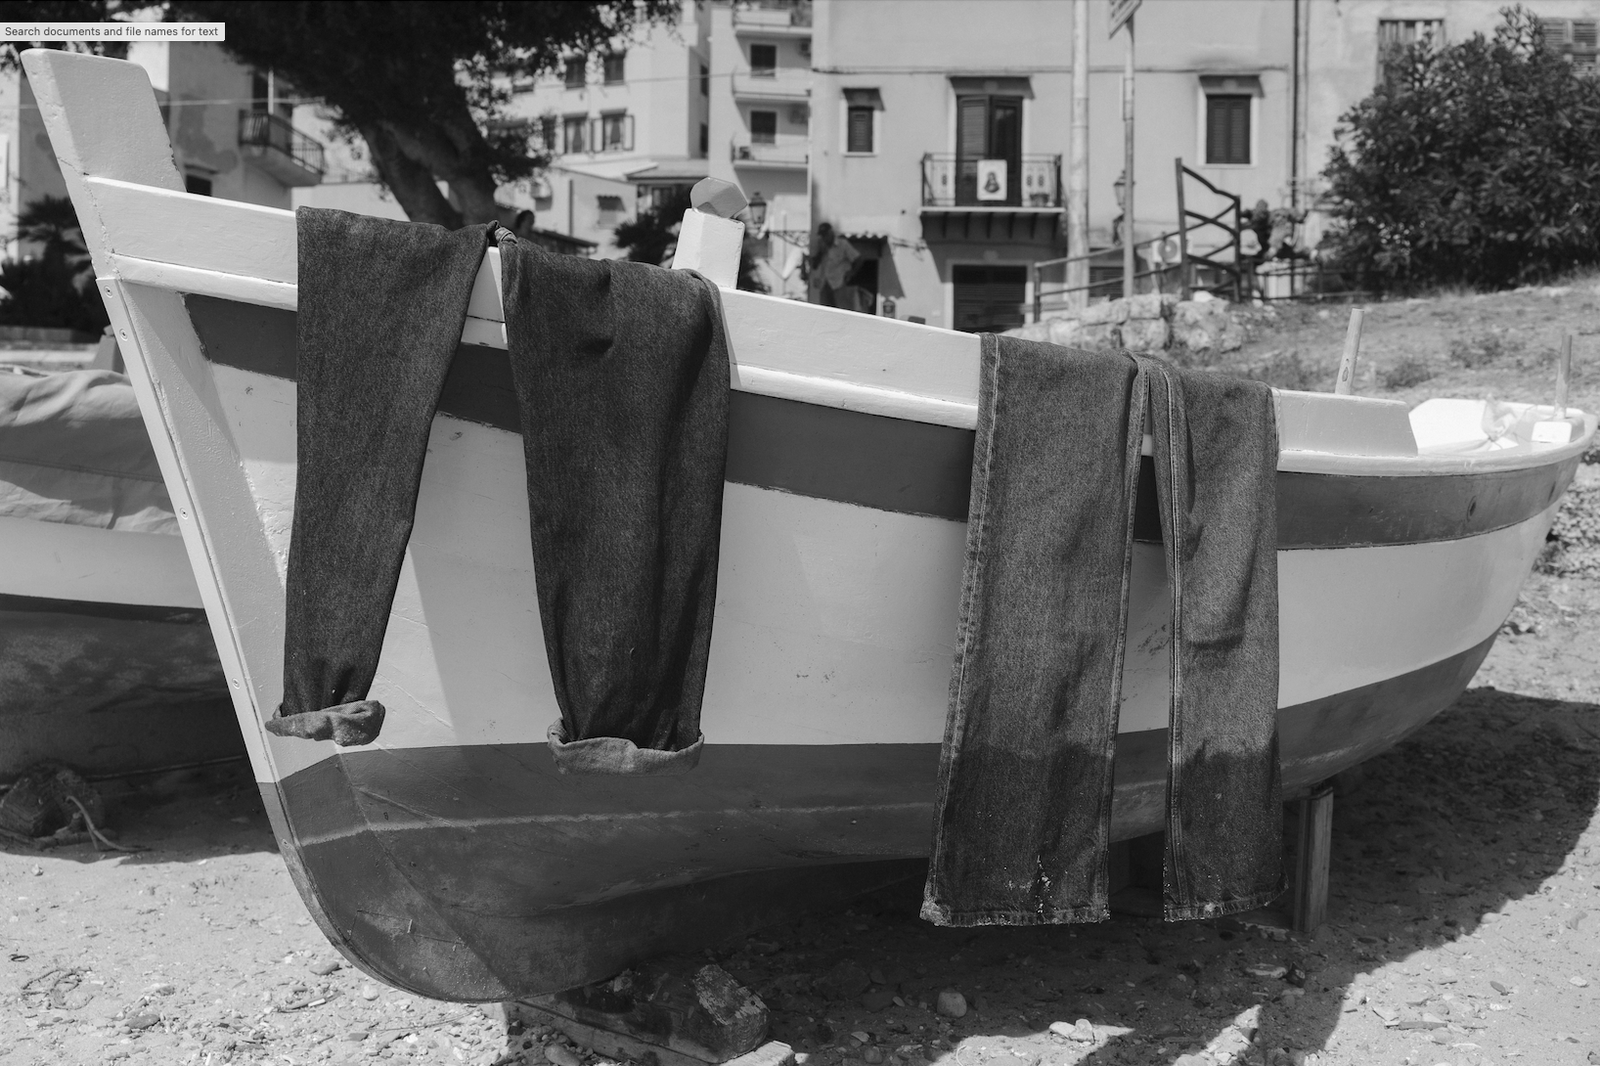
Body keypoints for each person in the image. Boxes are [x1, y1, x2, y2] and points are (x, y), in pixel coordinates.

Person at [804, 222, 860, 307]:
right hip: (824, 284)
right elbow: (815, 265)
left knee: (840, 310)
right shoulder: (822, 246)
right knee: (825, 311)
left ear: (830, 233)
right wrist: (821, 253)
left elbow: (858, 259)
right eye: (822, 236)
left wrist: (851, 273)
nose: (824, 238)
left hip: (839, 283)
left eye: (825, 235)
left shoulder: (843, 244)